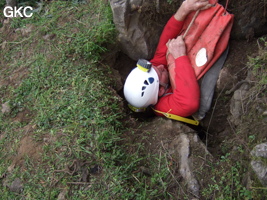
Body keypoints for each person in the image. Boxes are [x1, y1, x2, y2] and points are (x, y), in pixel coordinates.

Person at [123, 0, 212, 118]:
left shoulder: (154, 77)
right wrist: (180, 56)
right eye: (160, 72)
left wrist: (183, 10)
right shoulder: (164, 106)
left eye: (156, 67)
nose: (160, 66)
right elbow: (189, 103)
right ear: (160, 91)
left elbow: (163, 46)